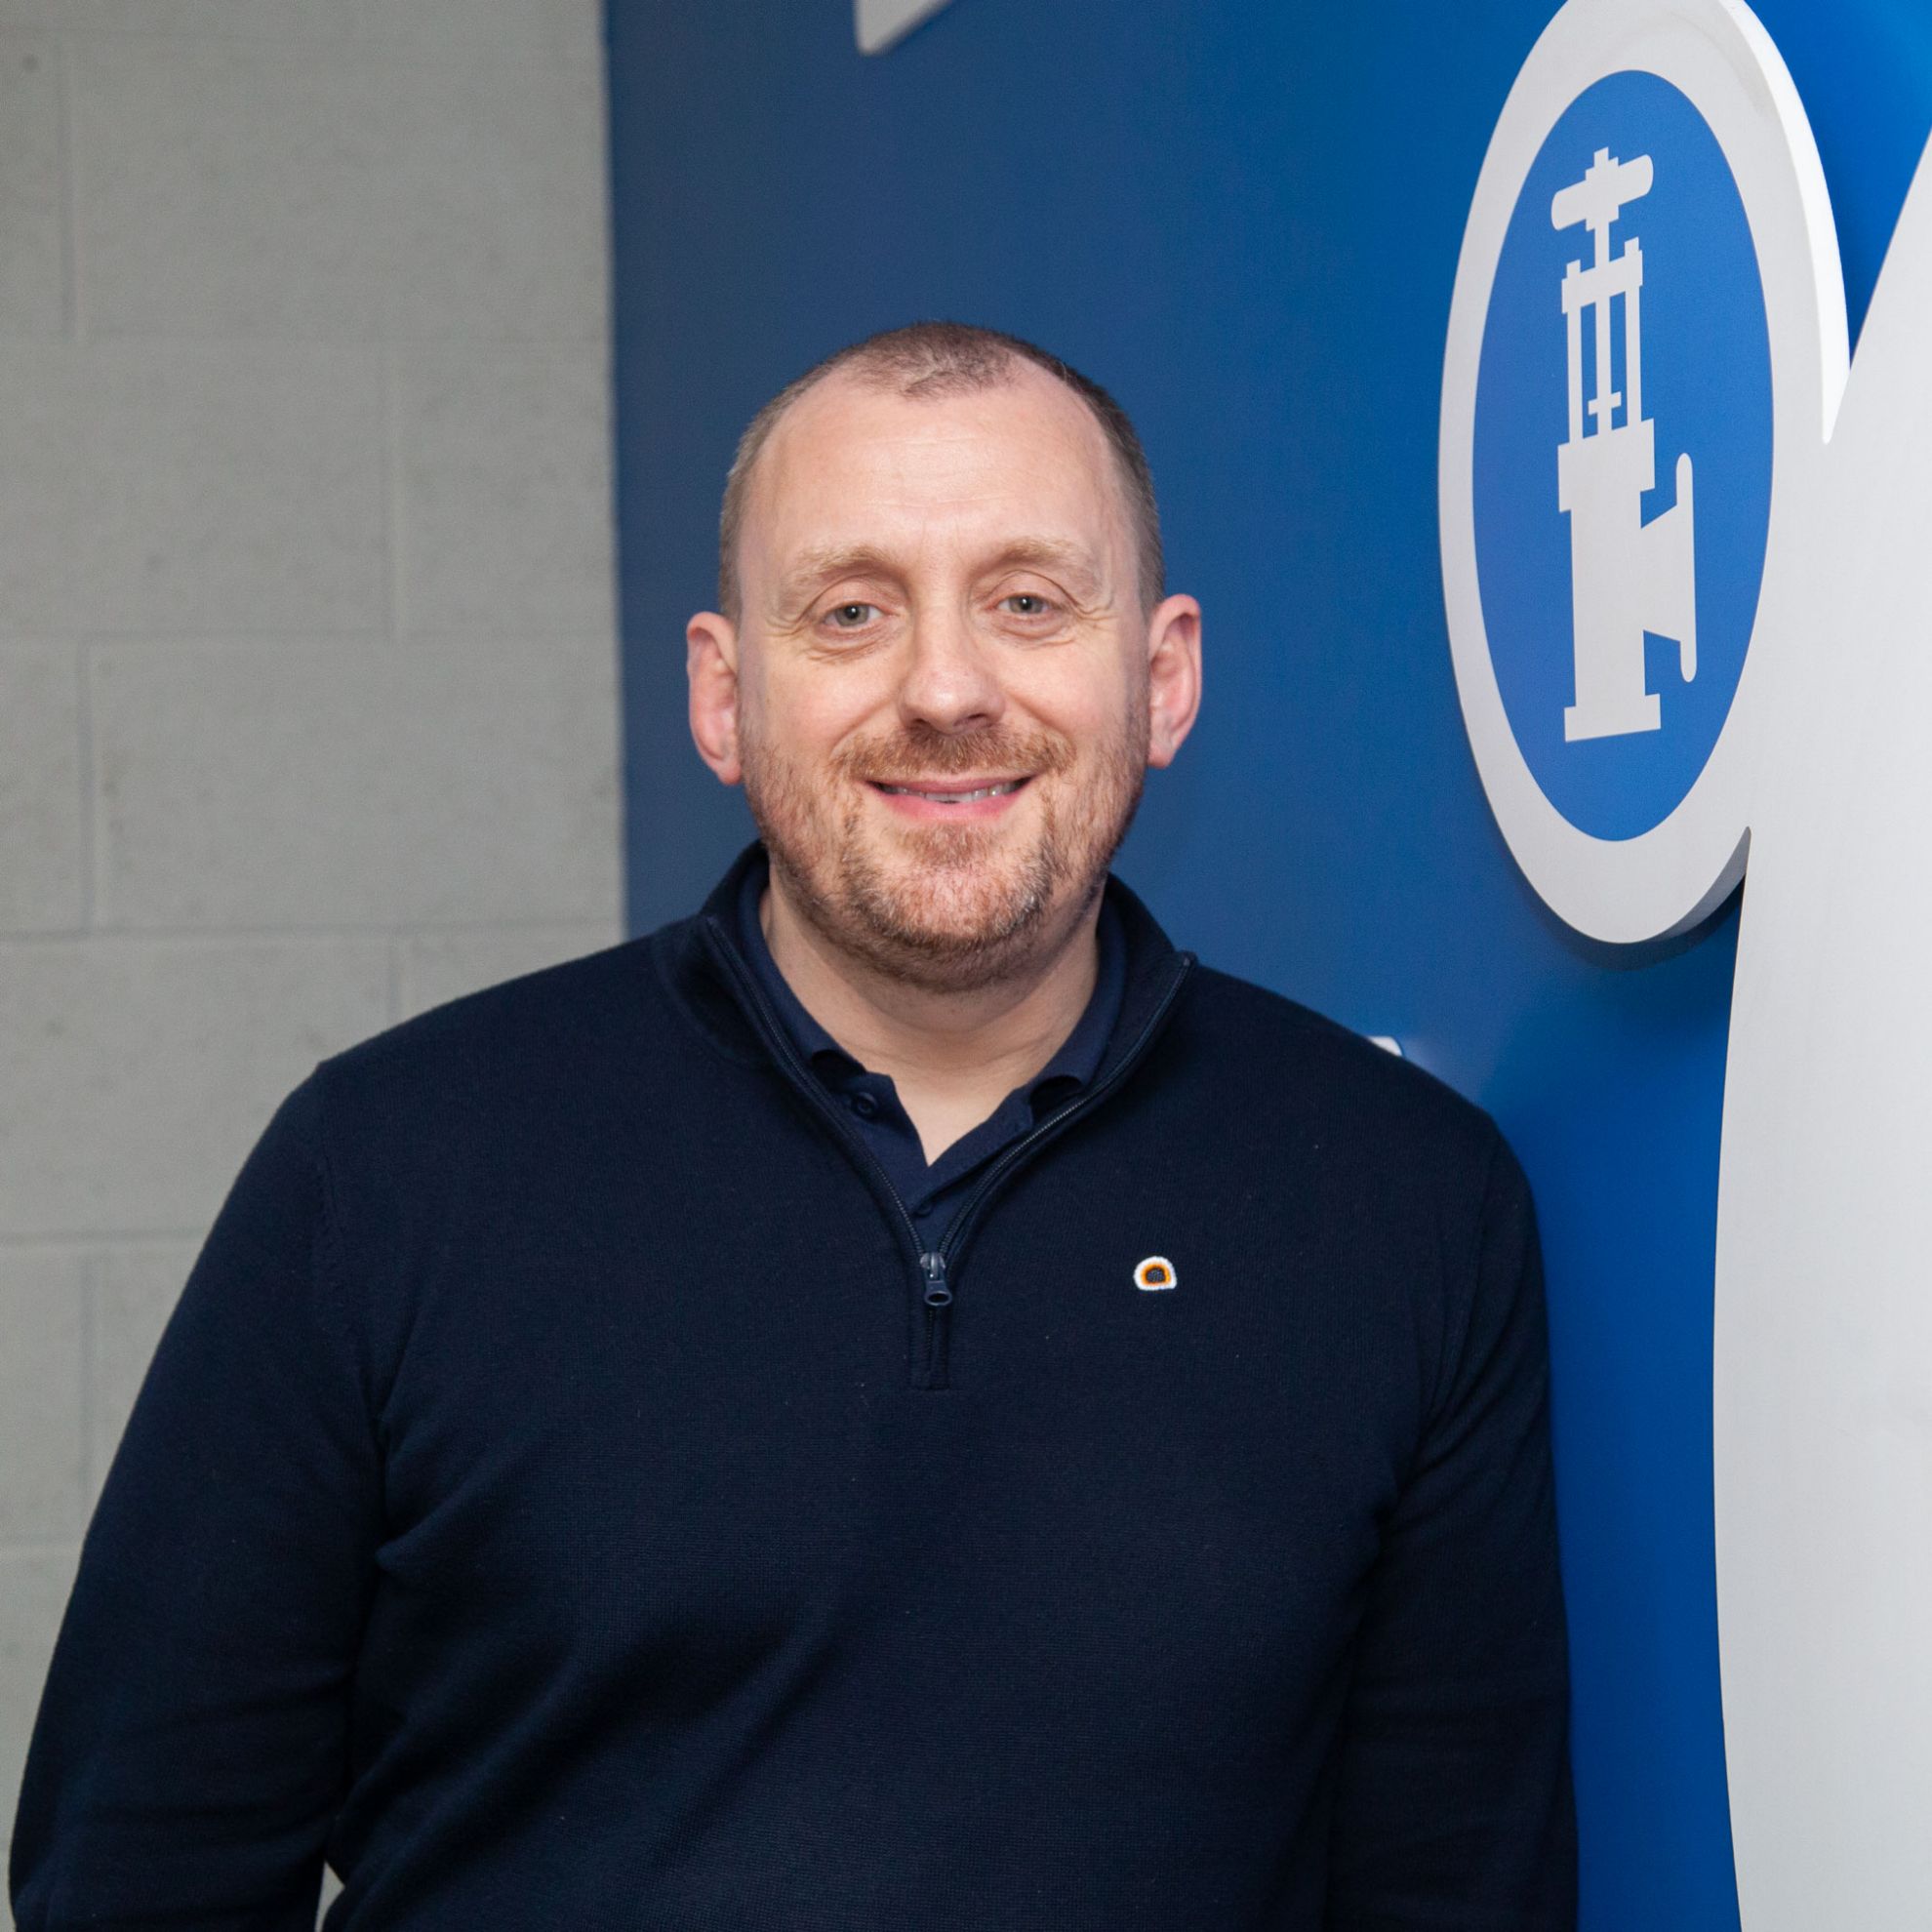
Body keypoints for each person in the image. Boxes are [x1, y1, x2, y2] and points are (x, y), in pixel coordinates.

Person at [11, 321, 1575, 1928]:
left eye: (1029, 602)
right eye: (850, 612)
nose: (947, 690)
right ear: (722, 693)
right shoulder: (385, 1174)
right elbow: (140, 1869)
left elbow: (1462, 1889)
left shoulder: (1404, 1205)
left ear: (1161, 678)